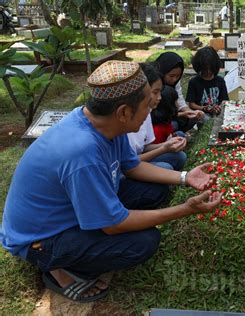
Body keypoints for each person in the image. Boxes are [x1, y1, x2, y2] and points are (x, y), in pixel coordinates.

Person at [0, 60, 222, 303]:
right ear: (124, 112)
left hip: (72, 210)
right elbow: (114, 225)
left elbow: (132, 165)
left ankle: (87, 239)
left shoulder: (101, 123)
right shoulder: (83, 154)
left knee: (155, 191)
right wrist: (185, 209)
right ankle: (58, 269)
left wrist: (184, 177)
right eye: (147, 105)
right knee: (144, 242)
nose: (152, 109)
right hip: (42, 238)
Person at [127, 63, 187, 172]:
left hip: (139, 159)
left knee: (179, 157)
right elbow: (127, 163)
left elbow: (145, 147)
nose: (159, 98)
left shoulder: (148, 111)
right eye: (155, 92)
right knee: (166, 167)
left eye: (160, 92)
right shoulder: (124, 121)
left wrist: (167, 144)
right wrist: (163, 149)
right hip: (129, 167)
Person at [153, 52, 204, 132]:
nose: (174, 79)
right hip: (156, 119)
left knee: (190, 119)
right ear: (163, 72)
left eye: (178, 76)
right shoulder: (154, 83)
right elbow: (157, 114)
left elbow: (179, 101)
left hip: (171, 114)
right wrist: (182, 114)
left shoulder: (175, 81)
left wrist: (191, 112)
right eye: (171, 76)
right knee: (174, 125)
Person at [186, 47, 229, 118]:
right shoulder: (194, 82)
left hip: (218, 112)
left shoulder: (220, 81)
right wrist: (204, 108)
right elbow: (191, 104)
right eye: (205, 69)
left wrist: (218, 108)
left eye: (211, 68)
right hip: (201, 113)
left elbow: (224, 100)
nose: (208, 72)